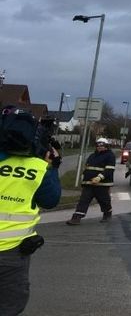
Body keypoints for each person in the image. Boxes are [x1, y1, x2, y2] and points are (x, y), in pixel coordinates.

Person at [0, 106, 61, 316]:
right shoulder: (39, 168)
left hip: (12, 252)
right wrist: (53, 166)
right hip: (10, 252)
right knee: (9, 305)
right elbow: (51, 200)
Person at [66, 137, 116, 225]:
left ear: (106, 146)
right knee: (83, 200)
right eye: (98, 145)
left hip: (102, 184)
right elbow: (87, 167)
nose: (100, 147)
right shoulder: (92, 156)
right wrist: (83, 176)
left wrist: (99, 177)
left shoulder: (110, 155)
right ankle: (76, 218)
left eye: (102, 145)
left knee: (104, 200)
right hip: (89, 183)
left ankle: (107, 214)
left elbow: (109, 169)